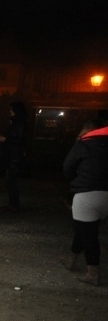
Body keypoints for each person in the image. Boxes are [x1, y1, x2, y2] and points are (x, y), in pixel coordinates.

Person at [61, 119, 108, 286]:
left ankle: (93, 273)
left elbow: (67, 167)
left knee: (89, 235)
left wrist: (78, 180)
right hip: (105, 194)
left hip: (86, 193)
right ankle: (71, 260)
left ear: (88, 129)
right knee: (85, 229)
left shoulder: (84, 144)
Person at [0, 101, 28, 212]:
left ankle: (14, 205)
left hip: (14, 155)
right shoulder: (17, 122)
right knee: (10, 180)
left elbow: (19, 139)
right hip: (13, 154)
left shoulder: (18, 123)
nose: (10, 111)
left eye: (11, 109)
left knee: (10, 180)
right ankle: (13, 204)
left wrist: (6, 140)